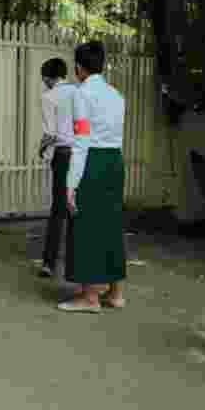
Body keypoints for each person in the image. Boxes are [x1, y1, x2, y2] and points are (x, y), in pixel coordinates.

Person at [60, 41, 128, 313]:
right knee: (111, 223)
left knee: (85, 224)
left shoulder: (81, 95)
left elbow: (81, 142)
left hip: (93, 162)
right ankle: (116, 292)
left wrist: (70, 184)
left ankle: (89, 298)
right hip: (114, 161)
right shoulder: (116, 95)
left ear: (79, 67)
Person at [36, 58, 76, 279]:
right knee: (76, 209)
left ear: (48, 77)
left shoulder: (48, 97)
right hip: (81, 153)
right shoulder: (77, 92)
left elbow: (50, 133)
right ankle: (76, 261)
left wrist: (40, 148)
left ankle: (49, 263)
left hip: (62, 155)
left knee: (58, 209)